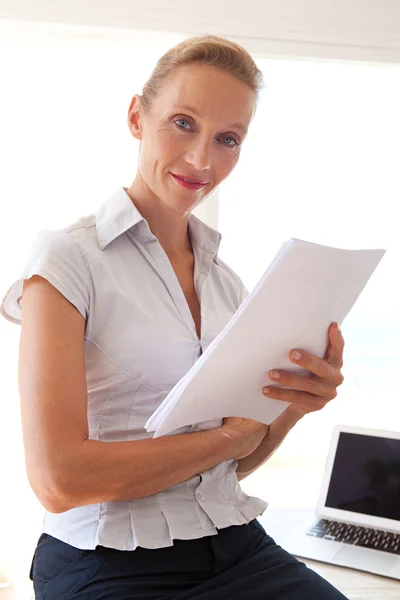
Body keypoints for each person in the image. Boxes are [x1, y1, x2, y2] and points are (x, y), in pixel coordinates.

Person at [0, 35, 347, 599]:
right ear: (138, 116)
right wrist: (227, 440)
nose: (202, 160)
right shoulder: (67, 259)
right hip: (105, 562)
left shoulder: (228, 285)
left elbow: (230, 468)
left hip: (236, 546)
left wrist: (293, 405)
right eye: (183, 123)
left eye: (227, 139)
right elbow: (58, 480)